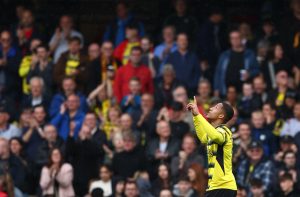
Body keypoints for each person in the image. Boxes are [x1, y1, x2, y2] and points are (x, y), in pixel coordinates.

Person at [186, 97, 237, 196]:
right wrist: (195, 117)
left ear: (221, 116)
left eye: (216, 107)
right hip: (215, 186)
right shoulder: (214, 133)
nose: (210, 108)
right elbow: (203, 138)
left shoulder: (224, 131)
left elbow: (216, 136)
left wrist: (198, 114)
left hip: (224, 186)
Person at [214, 30, 259, 96]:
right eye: (232, 38)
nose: (235, 40)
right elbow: (218, 73)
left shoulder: (249, 54)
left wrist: (249, 74)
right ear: (230, 40)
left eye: (237, 38)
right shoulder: (224, 55)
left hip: (243, 91)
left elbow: (257, 70)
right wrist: (216, 89)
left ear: (241, 39)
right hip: (226, 91)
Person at [66, 124, 103, 196]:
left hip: (91, 178)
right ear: (79, 133)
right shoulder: (76, 143)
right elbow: (69, 151)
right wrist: (71, 134)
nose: (85, 135)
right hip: (77, 179)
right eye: (83, 133)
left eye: (87, 133)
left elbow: (94, 152)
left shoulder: (95, 144)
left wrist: (85, 141)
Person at [0, 30, 22, 102]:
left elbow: (18, 70)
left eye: (8, 40)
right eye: (3, 40)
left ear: (11, 40)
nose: (5, 42)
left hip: (12, 91)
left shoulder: (17, 52)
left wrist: (6, 64)